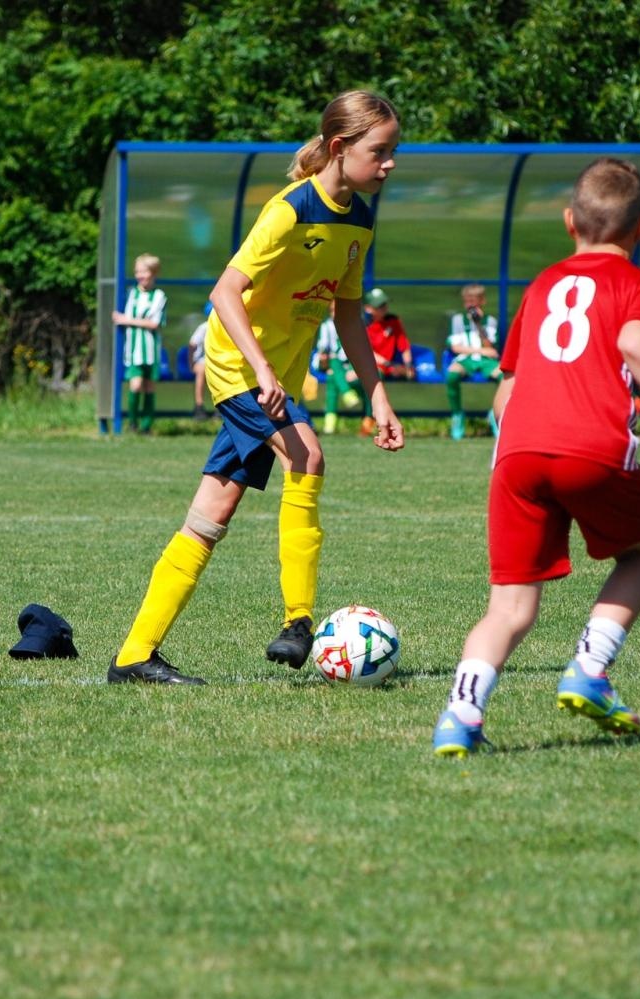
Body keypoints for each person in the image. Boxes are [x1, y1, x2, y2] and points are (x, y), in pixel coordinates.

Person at [108, 89, 406, 685]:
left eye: (394, 151)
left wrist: (377, 394)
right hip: (238, 367)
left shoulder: (360, 220)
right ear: (341, 147)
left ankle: (133, 656)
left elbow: (348, 312)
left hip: (274, 377)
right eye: (381, 151)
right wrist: (264, 370)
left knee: (212, 512)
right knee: (308, 455)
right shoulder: (289, 210)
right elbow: (225, 292)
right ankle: (300, 622)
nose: (390, 163)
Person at [429, 158, 640, 756]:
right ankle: (589, 669)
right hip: (591, 447)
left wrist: (519, 453)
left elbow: (507, 392)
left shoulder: (543, 285)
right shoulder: (639, 285)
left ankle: (459, 716)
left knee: (510, 607)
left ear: (569, 221)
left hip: (518, 453)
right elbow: (632, 341)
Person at [113, 253, 167, 433]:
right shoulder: (131, 293)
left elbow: (154, 323)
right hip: (133, 350)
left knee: (150, 387)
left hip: (151, 350)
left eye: (144, 272)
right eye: (137, 272)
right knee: (135, 385)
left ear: (153, 273)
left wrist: (127, 320)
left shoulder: (159, 296)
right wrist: (126, 319)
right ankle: (132, 423)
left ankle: (146, 426)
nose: (140, 276)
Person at [444, 283, 502, 440]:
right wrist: (481, 351)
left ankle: (495, 413)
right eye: (467, 301)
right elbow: (455, 347)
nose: (470, 305)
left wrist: (478, 324)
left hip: (485, 361)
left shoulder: (490, 320)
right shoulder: (458, 320)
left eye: (473, 301)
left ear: (482, 301)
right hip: (467, 359)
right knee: (452, 375)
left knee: (504, 377)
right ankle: (457, 414)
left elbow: (491, 346)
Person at [311, 301, 361, 434]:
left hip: (348, 366)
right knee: (333, 361)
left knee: (332, 378)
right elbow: (323, 349)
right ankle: (347, 393)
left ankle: (330, 422)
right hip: (330, 363)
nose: (336, 313)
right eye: (333, 310)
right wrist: (323, 359)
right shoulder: (327, 326)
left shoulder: (352, 325)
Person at [188, 301, 213, 420]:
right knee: (201, 370)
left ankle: (221, 408)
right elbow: (192, 345)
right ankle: (199, 406)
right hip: (203, 360)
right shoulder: (204, 327)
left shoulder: (227, 325)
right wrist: (191, 363)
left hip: (218, 361)